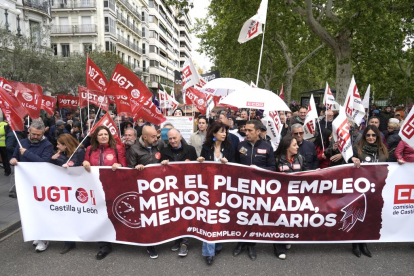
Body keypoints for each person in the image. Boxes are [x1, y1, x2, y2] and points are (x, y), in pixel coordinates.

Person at [233, 120, 275, 261]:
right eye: (246, 130)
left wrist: (259, 170)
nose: (247, 133)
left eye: (250, 130)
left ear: (258, 131)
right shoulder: (240, 145)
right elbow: (234, 166)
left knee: (254, 217)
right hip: (242, 188)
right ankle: (240, 242)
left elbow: (273, 168)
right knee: (242, 216)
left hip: (259, 189)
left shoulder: (267, 147)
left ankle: (251, 244)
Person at [82, 125, 127, 260]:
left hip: (113, 187)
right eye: (100, 134)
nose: (103, 136)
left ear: (109, 136)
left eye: (105, 134)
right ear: (96, 136)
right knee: (100, 215)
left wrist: (119, 165)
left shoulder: (117, 149)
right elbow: (85, 165)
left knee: (113, 213)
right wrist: (84, 162)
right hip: (95, 188)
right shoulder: (90, 150)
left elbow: (125, 165)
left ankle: (117, 237)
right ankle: (104, 245)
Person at [9, 120, 54, 252]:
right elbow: (14, 156)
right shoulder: (21, 142)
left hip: (40, 184)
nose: (35, 137)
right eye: (33, 134)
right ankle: (37, 234)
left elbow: (44, 162)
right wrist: (13, 160)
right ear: (29, 131)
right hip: (25, 183)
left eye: (38, 135)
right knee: (29, 210)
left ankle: (44, 238)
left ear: (43, 134)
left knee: (42, 210)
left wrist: (27, 153)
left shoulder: (48, 145)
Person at [197, 122, 235, 265]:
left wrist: (229, 163)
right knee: (209, 219)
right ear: (214, 134)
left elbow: (236, 168)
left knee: (221, 217)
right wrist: (200, 161)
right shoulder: (206, 148)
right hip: (208, 188)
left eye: (225, 131)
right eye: (221, 131)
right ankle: (208, 252)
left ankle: (217, 245)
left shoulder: (229, 147)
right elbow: (201, 168)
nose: (224, 134)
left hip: (225, 188)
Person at [123, 126, 162, 259]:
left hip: (159, 187)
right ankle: (150, 245)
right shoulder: (134, 149)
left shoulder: (159, 145)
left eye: (156, 136)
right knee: (148, 217)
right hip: (143, 189)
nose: (156, 139)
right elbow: (129, 169)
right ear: (144, 137)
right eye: (153, 137)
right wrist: (135, 168)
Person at [349, 125, 388, 258]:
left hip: (376, 189)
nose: (371, 138)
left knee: (370, 216)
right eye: (368, 135)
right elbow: (348, 162)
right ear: (364, 136)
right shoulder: (357, 149)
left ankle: (364, 243)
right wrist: (352, 159)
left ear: (377, 136)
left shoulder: (383, 150)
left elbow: (389, 165)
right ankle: (355, 243)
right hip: (359, 190)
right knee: (359, 215)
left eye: (373, 135)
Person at [160, 128, 197, 257]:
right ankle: (177, 238)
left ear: (180, 137)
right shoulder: (164, 152)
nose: (172, 141)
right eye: (170, 139)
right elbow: (159, 173)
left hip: (187, 188)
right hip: (172, 189)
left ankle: (184, 243)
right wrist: (162, 165)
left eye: (174, 138)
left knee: (186, 214)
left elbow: (197, 168)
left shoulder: (191, 150)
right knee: (174, 214)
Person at [49, 133, 85, 254]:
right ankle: (69, 242)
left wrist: (68, 164)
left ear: (65, 144)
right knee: (66, 214)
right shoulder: (60, 153)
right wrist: (53, 159)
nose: (57, 146)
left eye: (59, 144)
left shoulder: (79, 151)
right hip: (63, 188)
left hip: (77, 187)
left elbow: (78, 164)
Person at [273, 135, 308, 259]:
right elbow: (269, 176)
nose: (297, 146)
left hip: (296, 196)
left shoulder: (301, 158)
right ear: (287, 147)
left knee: (292, 219)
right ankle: (279, 247)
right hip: (280, 197)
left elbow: (308, 174)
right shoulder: (276, 159)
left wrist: (318, 173)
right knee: (280, 220)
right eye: (294, 145)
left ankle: (287, 238)